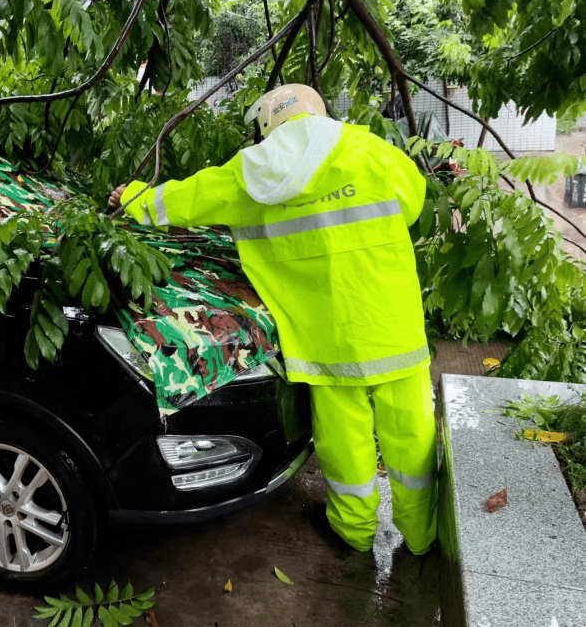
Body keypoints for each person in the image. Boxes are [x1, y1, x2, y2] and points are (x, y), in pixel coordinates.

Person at [109, 84, 437, 555]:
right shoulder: (374, 151)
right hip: (393, 324)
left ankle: (354, 531)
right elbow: (413, 202)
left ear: (267, 124)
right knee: (412, 435)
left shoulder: (256, 170)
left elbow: (191, 197)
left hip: (325, 337)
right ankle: (423, 537)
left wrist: (136, 198)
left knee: (342, 439)